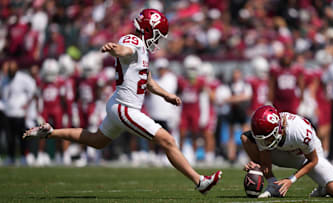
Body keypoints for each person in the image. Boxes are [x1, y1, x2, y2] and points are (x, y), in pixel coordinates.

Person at [23, 8, 221, 193]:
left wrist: (166, 95)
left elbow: (147, 80)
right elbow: (124, 50)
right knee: (168, 140)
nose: (158, 40)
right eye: (157, 35)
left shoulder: (142, 47)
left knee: (96, 140)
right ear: (148, 30)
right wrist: (114, 49)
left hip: (119, 104)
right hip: (125, 108)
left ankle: (50, 132)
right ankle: (199, 181)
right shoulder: (132, 42)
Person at [241, 105, 333, 198]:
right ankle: (273, 185)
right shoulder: (265, 133)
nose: (264, 141)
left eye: (267, 137)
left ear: (278, 129)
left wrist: (291, 180)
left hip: (305, 158)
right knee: (246, 139)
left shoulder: (299, 130)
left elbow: (313, 160)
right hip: (282, 153)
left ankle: (323, 189)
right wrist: (258, 166)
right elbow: (265, 158)